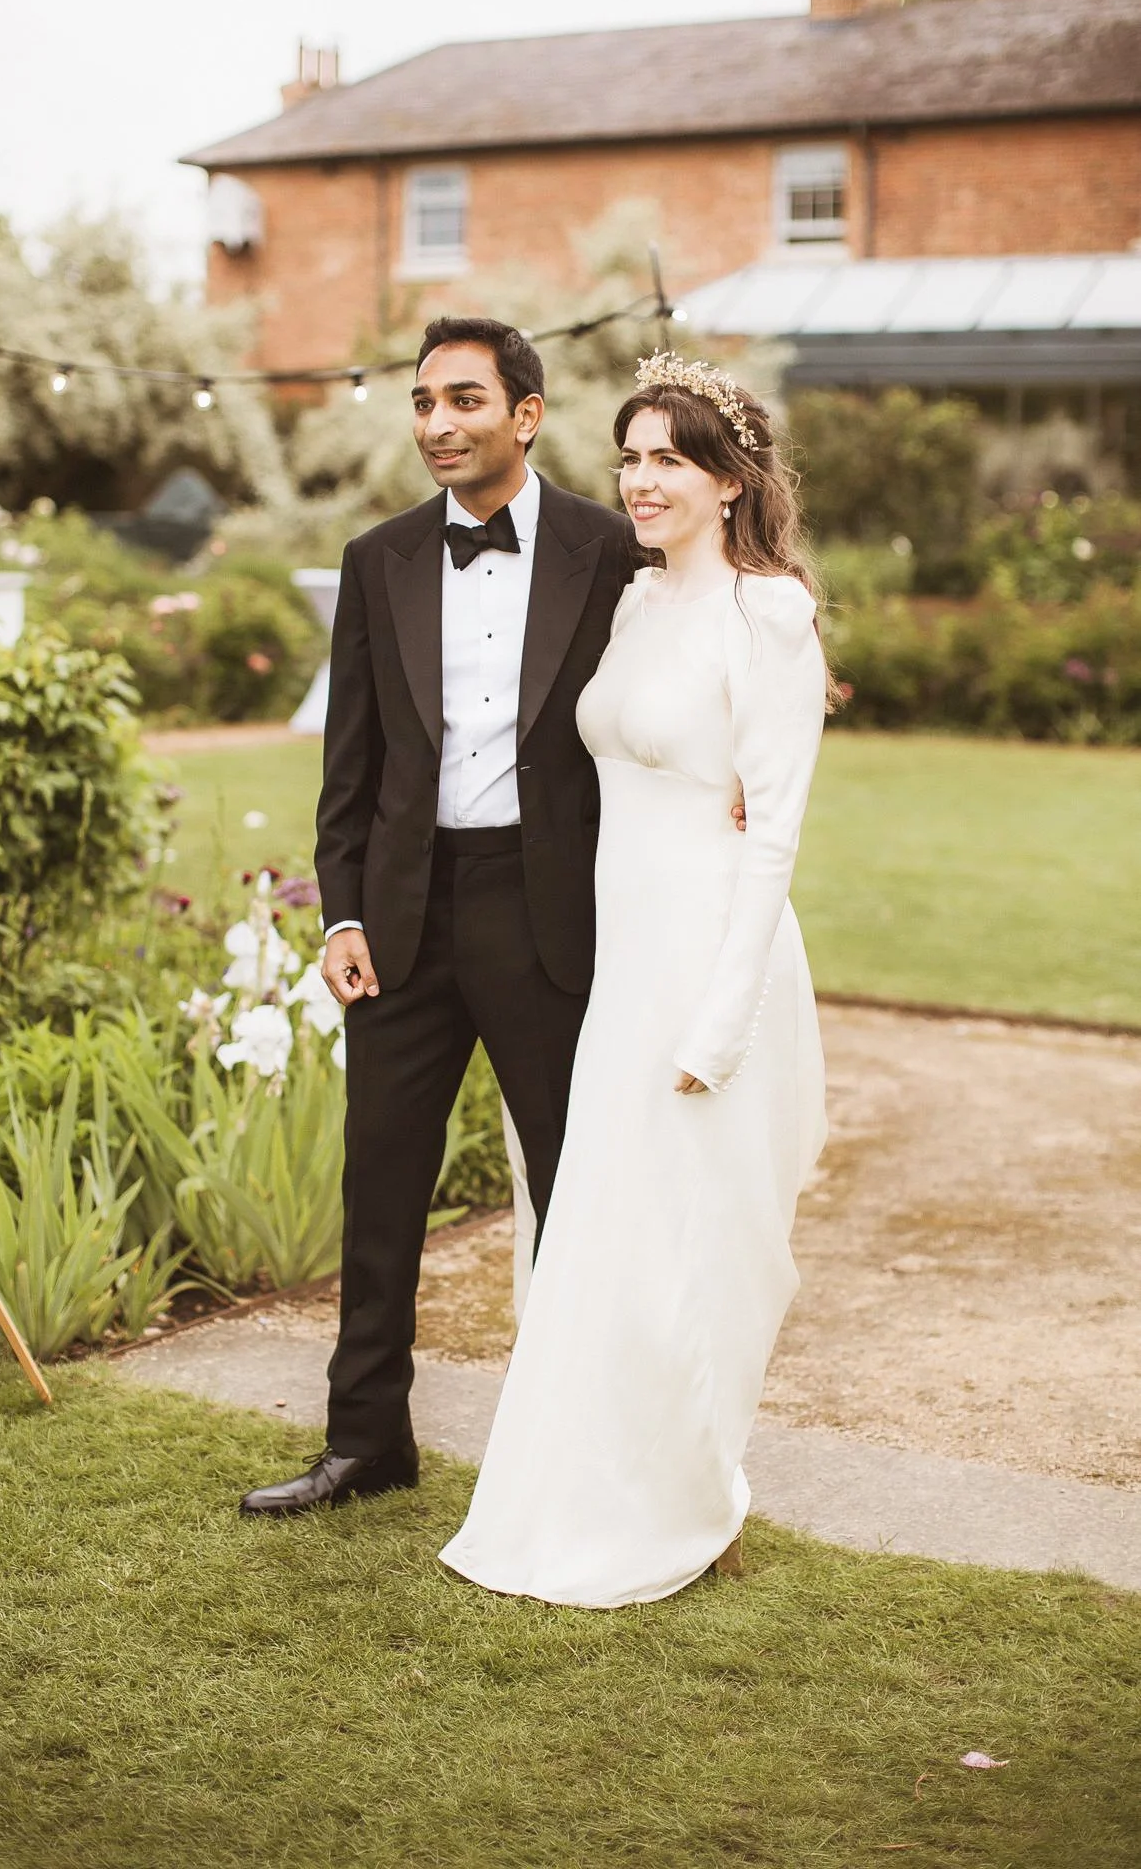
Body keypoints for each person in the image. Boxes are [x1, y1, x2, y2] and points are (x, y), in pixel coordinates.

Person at [439, 352, 833, 1606]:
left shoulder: (765, 615)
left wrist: (721, 1023)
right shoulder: (630, 603)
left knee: (697, 1245)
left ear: (728, 481)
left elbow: (771, 826)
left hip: (712, 966)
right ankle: (588, 1492)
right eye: (630, 454)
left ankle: (691, 1496)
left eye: (669, 456)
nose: (641, 477)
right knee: (601, 1237)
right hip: (616, 967)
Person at [240, 317, 646, 1517]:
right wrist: (340, 916)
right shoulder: (380, 558)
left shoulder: (610, 549)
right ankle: (366, 1441)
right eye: (422, 403)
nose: (436, 424)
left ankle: (596, 1448)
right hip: (405, 919)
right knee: (380, 1191)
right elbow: (349, 761)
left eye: (463, 399)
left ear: (525, 412)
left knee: (577, 1190)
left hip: (549, 913)